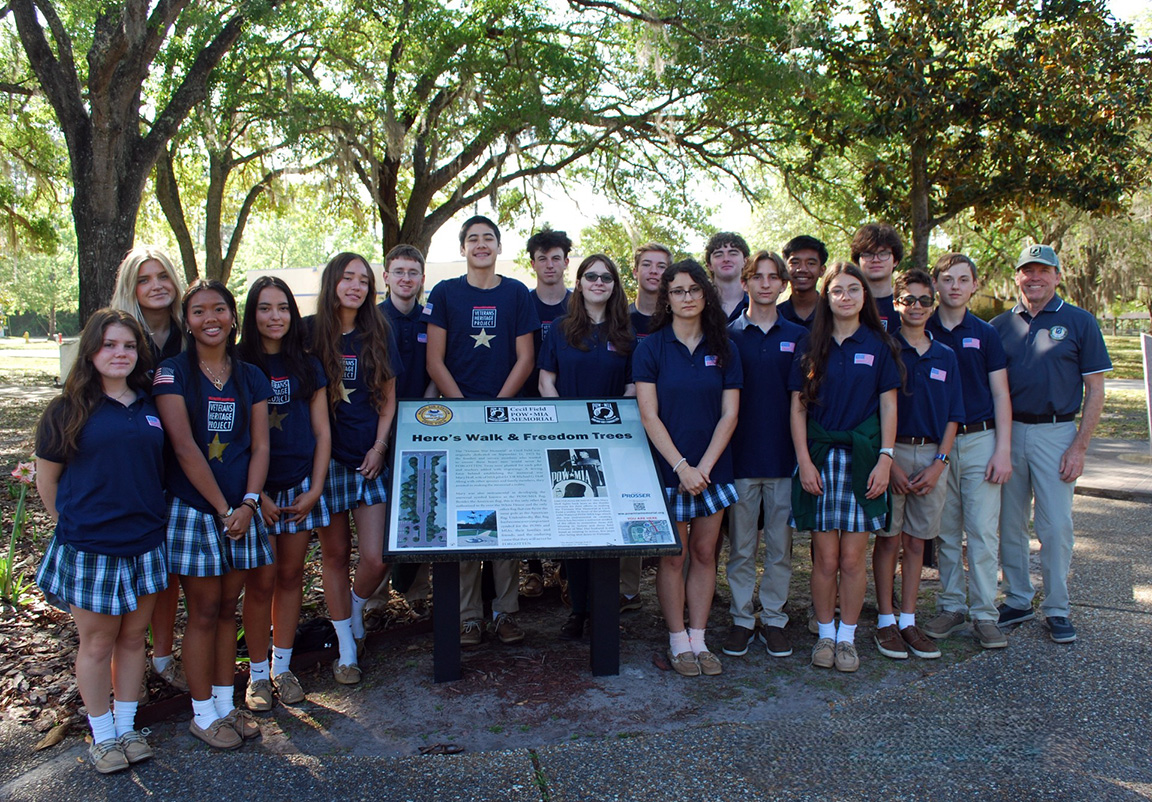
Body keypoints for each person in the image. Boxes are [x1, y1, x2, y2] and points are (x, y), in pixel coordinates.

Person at [35, 309, 167, 773]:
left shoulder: (152, 404)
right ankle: (102, 736)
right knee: (96, 644)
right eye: (110, 344)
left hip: (147, 542)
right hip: (91, 547)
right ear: (91, 350)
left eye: (129, 346)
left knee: (133, 640)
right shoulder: (67, 409)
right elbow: (47, 480)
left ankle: (128, 726)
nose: (120, 353)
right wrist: (72, 526)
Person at [153, 281, 271, 749]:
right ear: (187, 321)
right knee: (202, 611)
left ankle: (226, 704)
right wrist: (224, 509)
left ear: (233, 316)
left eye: (219, 309)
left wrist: (248, 502)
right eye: (199, 311)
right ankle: (202, 713)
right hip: (196, 510)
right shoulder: (172, 373)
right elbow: (182, 446)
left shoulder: (250, 377)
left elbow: (261, 445)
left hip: (241, 511)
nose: (210, 318)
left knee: (228, 610)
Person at [424, 215, 539, 647]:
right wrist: (464, 412)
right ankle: (469, 616)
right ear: (462, 248)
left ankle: (505, 612)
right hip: (458, 423)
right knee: (470, 518)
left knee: (504, 518)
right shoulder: (446, 293)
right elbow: (434, 360)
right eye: (472, 239)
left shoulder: (515, 294)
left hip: (506, 422)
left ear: (498, 247)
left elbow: (525, 359)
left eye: (488, 238)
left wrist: (497, 409)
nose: (481, 244)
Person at [992, 243, 1111, 644]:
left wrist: (1079, 447)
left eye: (1043, 270)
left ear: (1058, 276)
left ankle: (1057, 607)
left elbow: (1095, 389)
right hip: (1008, 433)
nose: (1035, 277)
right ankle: (1019, 598)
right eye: (1028, 271)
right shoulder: (999, 326)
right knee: (1009, 523)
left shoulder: (1079, 322)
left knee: (1055, 525)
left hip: (1057, 433)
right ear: (1018, 278)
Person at [790, 262, 901, 673]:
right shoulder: (810, 345)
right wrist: (803, 460)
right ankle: (823, 636)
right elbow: (797, 407)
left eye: (854, 289)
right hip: (820, 460)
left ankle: (848, 639)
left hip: (864, 461)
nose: (846, 297)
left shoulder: (879, 344)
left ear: (864, 297)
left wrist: (886, 458)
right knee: (824, 558)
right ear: (827, 296)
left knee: (853, 559)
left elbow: (889, 405)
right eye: (837, 290)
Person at [634, 259, 742, 677]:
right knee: (674, 556)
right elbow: (648, 415)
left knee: (703, 552)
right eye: (677, 291)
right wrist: (682, 467)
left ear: (706, 294)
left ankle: (700, 637)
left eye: (694, 289)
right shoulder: (651, 347)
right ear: (667, 298)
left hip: (713, 469)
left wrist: (704, 467)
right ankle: (678, 639)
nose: (686, 298)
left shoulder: (725, 347)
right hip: (669, 470)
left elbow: (730, 414)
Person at [237, 277, 331, 708]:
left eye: (283, 308)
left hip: (299, 489)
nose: (275, 317)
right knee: (261, 582)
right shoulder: (237, 365)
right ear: (251, 314)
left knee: (291, 576)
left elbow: (321, 431)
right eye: (264, 308)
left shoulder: (307, 365)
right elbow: (235, 441)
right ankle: (257, 676)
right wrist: (256, 496)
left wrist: (315, 489)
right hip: (255, 494)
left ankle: (283, 666)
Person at [308, 253, 399, 683]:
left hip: (367, 460)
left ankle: (354, 611)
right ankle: (346, 649)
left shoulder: (378, 331)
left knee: (376, 557)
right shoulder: (309, 332)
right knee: (334, 554)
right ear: (333, 283)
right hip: (325, 464)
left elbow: (389, 397)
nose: (356, 286)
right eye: (348, 278)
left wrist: (381, 446)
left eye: (363, 280)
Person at [538, 254, 636, 639]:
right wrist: (566, 427)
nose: (598, 282)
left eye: (606, 278)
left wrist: (613, 427)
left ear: (615, 286)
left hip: (614, 447)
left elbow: (632, 388)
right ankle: (578, 609)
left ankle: (604, 611)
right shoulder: (561, 329)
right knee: (577, 532)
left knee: (609, 531)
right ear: (578, 283)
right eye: (591, 276)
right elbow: (547, 382)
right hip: (569, 446)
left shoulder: (625, 332)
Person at [109, 245, 189, 695]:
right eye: (144, 279)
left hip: (181, 461)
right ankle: (125, 664)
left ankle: (163, 657)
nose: (156, 285)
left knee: (168, 569)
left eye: (162, 276)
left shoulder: (189, 331)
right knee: (132, 571)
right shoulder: (119, 334)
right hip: (133, 463)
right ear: (130, 288)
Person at [923, 253, 1013, 649]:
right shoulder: (922, 328)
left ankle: (984, 614)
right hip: (936, 442)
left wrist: (1003, 449)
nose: (955, 286)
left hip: (980, 439)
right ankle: (952, 605)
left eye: (963, 279)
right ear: (936, 285)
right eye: (947, 279)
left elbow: (1000, 393)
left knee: (980, 530)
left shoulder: (986, 334)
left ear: (975, 285)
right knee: (944, 529)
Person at [872, 270, 963, 661]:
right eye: (908, 299)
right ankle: (885, 620)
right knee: (888, 539)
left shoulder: (946, 355)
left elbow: (954, 415)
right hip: (891, 454)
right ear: (896, 304)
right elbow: (875, 411)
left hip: (931, 458)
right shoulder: (884, 349)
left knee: (915, 542)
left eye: (925, 300)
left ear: (934, 304)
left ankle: (909, 619)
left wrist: (940, 463)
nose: (917, 307)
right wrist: (887, 461)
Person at [723, 251, 806, 659]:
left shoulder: (798, 336)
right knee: (740, 547)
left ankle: (773, 618)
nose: (766, 284)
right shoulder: (728, 335)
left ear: (783, 284)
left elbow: (801, 403)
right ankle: (741, 618)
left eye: (774, 277)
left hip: (782, 460)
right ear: (745, 282)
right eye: (758, 277)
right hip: (739, 460)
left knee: (779, 548)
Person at [522, 228, 573, 596]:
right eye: (542, 258)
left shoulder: (579, 303)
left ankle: (569, 569)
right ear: (533, 264)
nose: (549, 264)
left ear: (566, 262)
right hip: (526, 406)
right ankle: (535, 569)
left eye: (556, 257)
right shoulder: (522, 303)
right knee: (530, 492)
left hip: (568, 411)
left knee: (569, 487)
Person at [379, 244, 435, 400]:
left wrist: (424, 408)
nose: (406, 279)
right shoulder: (371, 320)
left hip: (421, 413)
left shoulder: (432, 322)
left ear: (422, 279)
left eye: (413, 273)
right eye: (398, 272)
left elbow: (438, 370)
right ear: (386, 277)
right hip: (377, 414)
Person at [849, 223, 902, 334]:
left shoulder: (906, 306)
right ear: (858, 261)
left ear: (895, 260)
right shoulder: (847, 303)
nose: (876, 260)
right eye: (868, 254)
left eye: (883, 253)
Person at [778, 236, 827, 329]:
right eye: (795, 262)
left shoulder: (834, 313)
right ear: (785, 269)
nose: (802, 269)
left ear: (822, 270)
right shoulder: (776, 316)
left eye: (811, 263)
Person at [628, 242, 672, 341]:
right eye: (646, 265)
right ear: (635, 272)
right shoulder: (620, 319)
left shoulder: (676, 321)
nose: (653, 271)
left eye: (661, 266)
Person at [703, 232, 750, 322]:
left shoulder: (756, 304)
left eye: (733, 253)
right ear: (709, 265)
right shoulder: (699, 305)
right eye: (718, 255)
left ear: (745, 261)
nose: (726, 259)